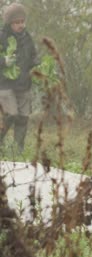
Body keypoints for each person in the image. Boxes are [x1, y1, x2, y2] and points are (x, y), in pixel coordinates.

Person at [0, 3, 37, 153]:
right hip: (4, 85)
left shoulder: (27, 38)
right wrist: (3, 61)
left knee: (23, 118)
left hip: (24, 84)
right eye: (17, 22)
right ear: (10, 23)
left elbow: (33, 57)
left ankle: (18, 150)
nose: (21, 25)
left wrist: (38, 67)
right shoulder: (2, 36)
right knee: (10, 114)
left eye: (23, 21)